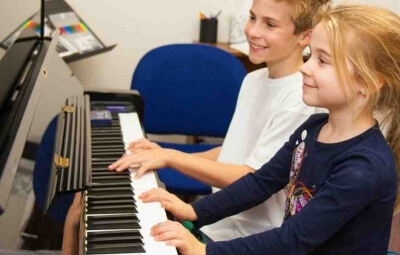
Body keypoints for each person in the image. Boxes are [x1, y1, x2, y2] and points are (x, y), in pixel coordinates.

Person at [138, 3, 400, 254]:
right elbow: (260, 183)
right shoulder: (313, 128)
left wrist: (204, 250)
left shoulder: (364, 167)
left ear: (367, 82)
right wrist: (196, 211)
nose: (306, 68)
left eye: (323, 60)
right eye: (311, 55)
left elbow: (293, 241)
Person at [109, 0, 329, 241]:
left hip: (251, 235)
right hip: (220, 219)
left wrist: (171, 158)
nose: (253, 31)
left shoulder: (299, 99)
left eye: (270, 24)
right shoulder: (253, 80)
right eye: (252, 17)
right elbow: (236, 150)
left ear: (305, 36)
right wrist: (165, 155)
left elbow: (252, 178)